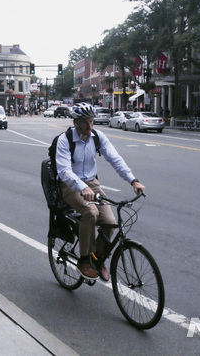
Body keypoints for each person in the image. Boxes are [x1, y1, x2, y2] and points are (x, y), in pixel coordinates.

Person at [55, 102, 146, 281]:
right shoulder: (64, 140)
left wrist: (133, 181)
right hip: (70, 185)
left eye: (91, 121)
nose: (90, 126)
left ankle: (96, 258)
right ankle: (84, 260)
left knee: (110, 221)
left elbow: (115, 159)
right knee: (91, 212)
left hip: (92, 183)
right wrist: (82, 187)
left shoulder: (97, 137)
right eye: (85, 123)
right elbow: (64, 172)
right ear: (76, 123)